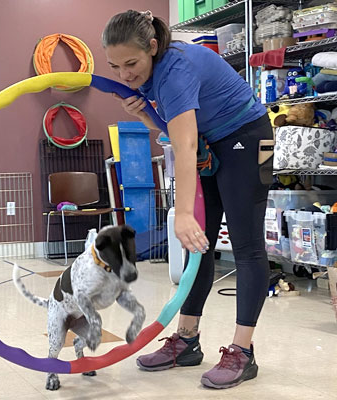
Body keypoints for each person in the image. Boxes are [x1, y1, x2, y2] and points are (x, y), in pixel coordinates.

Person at [102, 10, 273, 389]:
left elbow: (183, 144)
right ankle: (188, 340)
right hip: (211, 144)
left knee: (246, 246)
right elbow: (176, 130)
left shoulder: (175, 69)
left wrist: (181, 211)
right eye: (115, 67)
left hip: (246, 137)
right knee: (198, 245)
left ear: (151, 47)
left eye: (131, 63)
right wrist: (146, 113)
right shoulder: (150, 73)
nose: (125, 74)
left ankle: (243, 353)